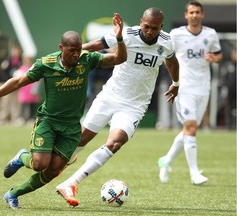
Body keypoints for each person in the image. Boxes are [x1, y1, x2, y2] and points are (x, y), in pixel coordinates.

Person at [0, 13, 127, 209]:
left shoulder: (87, 59)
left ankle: (13, 194)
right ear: (61, 48)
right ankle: (23, 157)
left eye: (78, 49)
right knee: (40, 164)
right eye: (72, 50)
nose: (76, 54)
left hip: (72, 127)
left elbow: (119, 58)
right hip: (48, 121)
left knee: (53, 171)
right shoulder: (46, 64)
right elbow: (17, 82)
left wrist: (119, 37)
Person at [56, 7, 179, 207]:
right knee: (81, 139)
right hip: (110, 96)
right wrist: (73, 52)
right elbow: (98, 43)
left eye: (154, 28)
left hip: (135, 105)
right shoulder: (127, 34)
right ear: (141, 22)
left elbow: (172, 61)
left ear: (161, 28)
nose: (149, 31)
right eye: (146, 26)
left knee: (115, 142)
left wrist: (176, 83)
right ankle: (50, 162)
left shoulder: (167, 41)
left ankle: (71, 183)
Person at [158, 1, 222, 185]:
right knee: (191, 128)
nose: (194, 15)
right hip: (184, 87)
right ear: (186, 15)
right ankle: (194, 173)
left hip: (203, 87)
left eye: (197, 12)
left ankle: (166, 161)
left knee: (189, 130)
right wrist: (174, 80)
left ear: (202, 15)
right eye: (191, 12)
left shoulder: (210, 34)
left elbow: (218, 55)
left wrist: (214, 58)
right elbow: (166, 56)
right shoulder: (176, 34)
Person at [0, 44, 22, 125]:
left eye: (17, 51)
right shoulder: (7, 60)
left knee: (16, 102)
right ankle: (2, 118)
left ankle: (15, 118)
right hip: (7, 84)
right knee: (5, 102)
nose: (15, 52)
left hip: (16, 84)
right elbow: (3, 71)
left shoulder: (20, 60)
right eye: (14, 50)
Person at [14, 55, 40, 126]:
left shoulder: (34, 68)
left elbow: (38, 80)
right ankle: (21, 118)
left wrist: (35, 89)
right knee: (23, 105)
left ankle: (31, 118)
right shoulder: (21, 69)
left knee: (32, 105)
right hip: (24, 90)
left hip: (32, 91)